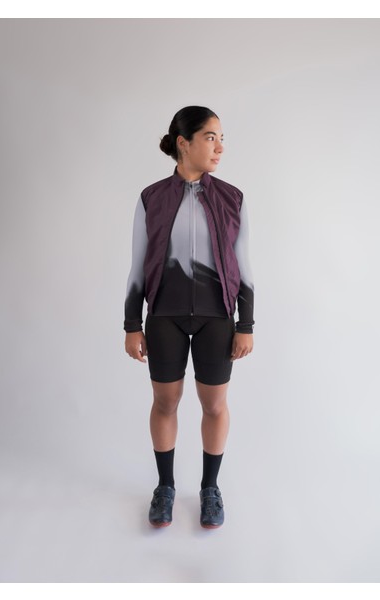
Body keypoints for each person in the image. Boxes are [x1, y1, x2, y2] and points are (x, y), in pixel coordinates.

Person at [123, 106, 254, 529]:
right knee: (165, 402)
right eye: (211, 137)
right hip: (165, 315)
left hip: (217, 316)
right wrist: (132, 324)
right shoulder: (152, 197)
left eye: (221, 138)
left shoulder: (232, 198)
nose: (220, 147)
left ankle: (210, 489)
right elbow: (138, 265)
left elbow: (244, 265)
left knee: (214, 405)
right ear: (184, 143)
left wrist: (245, 324)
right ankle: (165, 487)